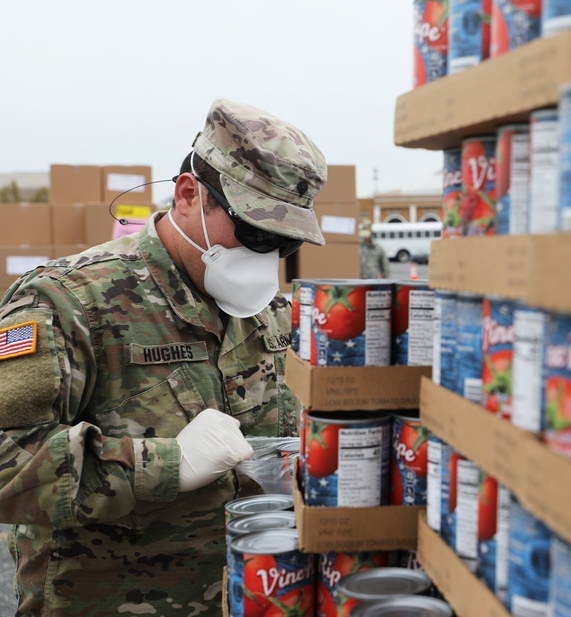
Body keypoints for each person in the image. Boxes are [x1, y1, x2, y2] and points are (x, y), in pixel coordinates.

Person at [0, 98, 329, 616]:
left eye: (282, 244)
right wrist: (168, 465)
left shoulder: (271, 316)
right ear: (187, 195)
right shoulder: (66, 301)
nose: (265, 257)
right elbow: (6, 464)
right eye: (254, 233)